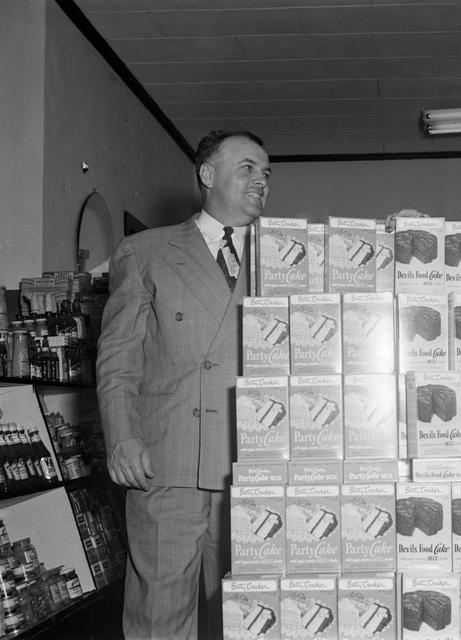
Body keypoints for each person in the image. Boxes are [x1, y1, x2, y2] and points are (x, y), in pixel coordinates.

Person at [95, 130, 271, 640]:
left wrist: (393, 233)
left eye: (266, 172)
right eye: (247, 168)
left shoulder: (286, 256)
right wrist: (122, 435)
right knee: (160, 618)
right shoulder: (145, 251)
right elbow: (118, 357)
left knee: (248, 620)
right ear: (207, 174)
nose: (261, 180)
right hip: (169, 462)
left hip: (252, 468)